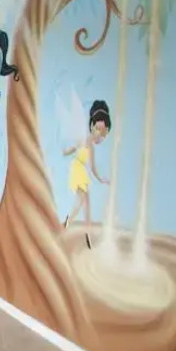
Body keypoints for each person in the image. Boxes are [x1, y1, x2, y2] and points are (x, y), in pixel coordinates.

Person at [62, 100, 111, 249]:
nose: (99, 134)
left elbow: (93, 168)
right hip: (77, 171)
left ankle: (87, 236)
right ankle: (68, 222)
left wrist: (101, 179)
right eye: (97, 129)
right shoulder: (85, 140)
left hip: (81, 171)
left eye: (102, 131)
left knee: (86, 205)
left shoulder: (89, 144)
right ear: (92, 127)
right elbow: (72, 148)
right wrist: (65, 152)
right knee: (82, 201)